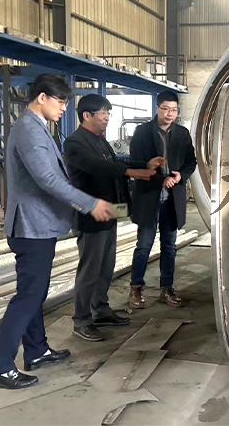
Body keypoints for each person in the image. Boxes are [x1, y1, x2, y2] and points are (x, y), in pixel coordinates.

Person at [0, 74, 116, 390]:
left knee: (35, 292)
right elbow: (48, 179)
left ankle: (37, 350)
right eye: (60, 101)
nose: (64, 108)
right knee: (29, 295)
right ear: (42, 97)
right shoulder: (29, 130)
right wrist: (89, 203)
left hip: (38, 225)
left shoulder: (36, 126)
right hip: (31, 227)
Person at [63, 95, 164, 342]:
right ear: (87, 115)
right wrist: (131, 171)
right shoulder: (75, 143)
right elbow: (96, 166)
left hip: (109, 212)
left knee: (106, 266)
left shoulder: (100, 140)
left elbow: (114, 163)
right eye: (103, 113)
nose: (107, 117)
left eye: (108, 112)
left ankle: (100, 310)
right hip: (90, 214)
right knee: (90, 269)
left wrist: (143, 164)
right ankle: (82, 320)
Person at [128, 91, 196, 309]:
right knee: (144, 246)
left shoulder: (182, 134)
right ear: (157, 108)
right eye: (166, 109)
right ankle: (136, 287)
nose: (170, 114)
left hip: (172, 200)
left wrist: (180, 176)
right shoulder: (142, 132)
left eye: (174, 110)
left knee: (169, 246)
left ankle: (167, 288)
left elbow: (191, 161)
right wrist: (160, 180)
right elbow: (135, 163)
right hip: (149, 196)